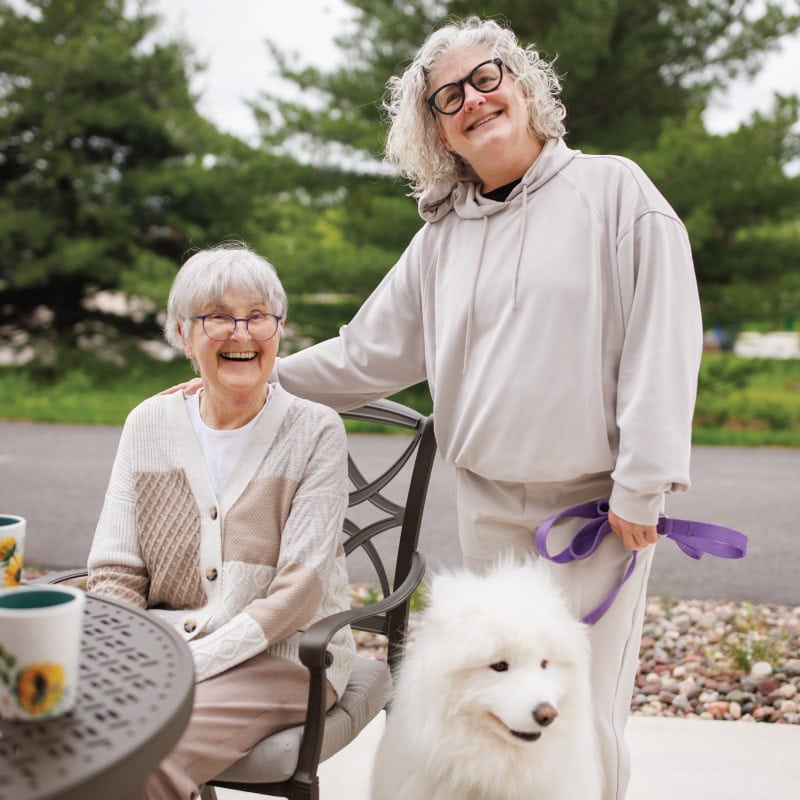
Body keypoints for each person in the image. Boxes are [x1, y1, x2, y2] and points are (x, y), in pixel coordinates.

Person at [167, 16, 702, 800]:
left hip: (595, 517)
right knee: (498, 720)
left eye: (487, 78)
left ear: (523, 86)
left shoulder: (615, 192)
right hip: (487, 507)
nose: (474, 101)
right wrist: (248, 384)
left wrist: (643, 485)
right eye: (449, 97)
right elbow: (364, 355)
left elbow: (667, 337)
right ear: (438, 129)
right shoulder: (443, 238)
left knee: (577, 720)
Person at [88, 244, 355, 800]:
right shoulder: (148, 424)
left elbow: (299, 593)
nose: (241, 333)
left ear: (278, 330)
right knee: (55, 736)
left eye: (258, 316)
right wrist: (120, 664)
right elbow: (116, 570)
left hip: (288, 656)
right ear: (184, 336)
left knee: (141, 760)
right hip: (166, 649)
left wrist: (191, 661)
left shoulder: (316, 431)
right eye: (217, 318)